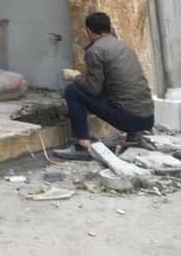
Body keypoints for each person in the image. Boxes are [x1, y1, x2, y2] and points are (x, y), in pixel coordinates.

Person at [55, 11, 154, 161]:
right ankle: (134, 137)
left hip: (129, 119)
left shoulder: (95, 50)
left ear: (89, 31)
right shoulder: (123, 46)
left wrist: (75, 76)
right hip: (147, 118)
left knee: (73, 91)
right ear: (109, 28)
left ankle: (82, 146)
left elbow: (93, 89)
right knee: (121, 91)